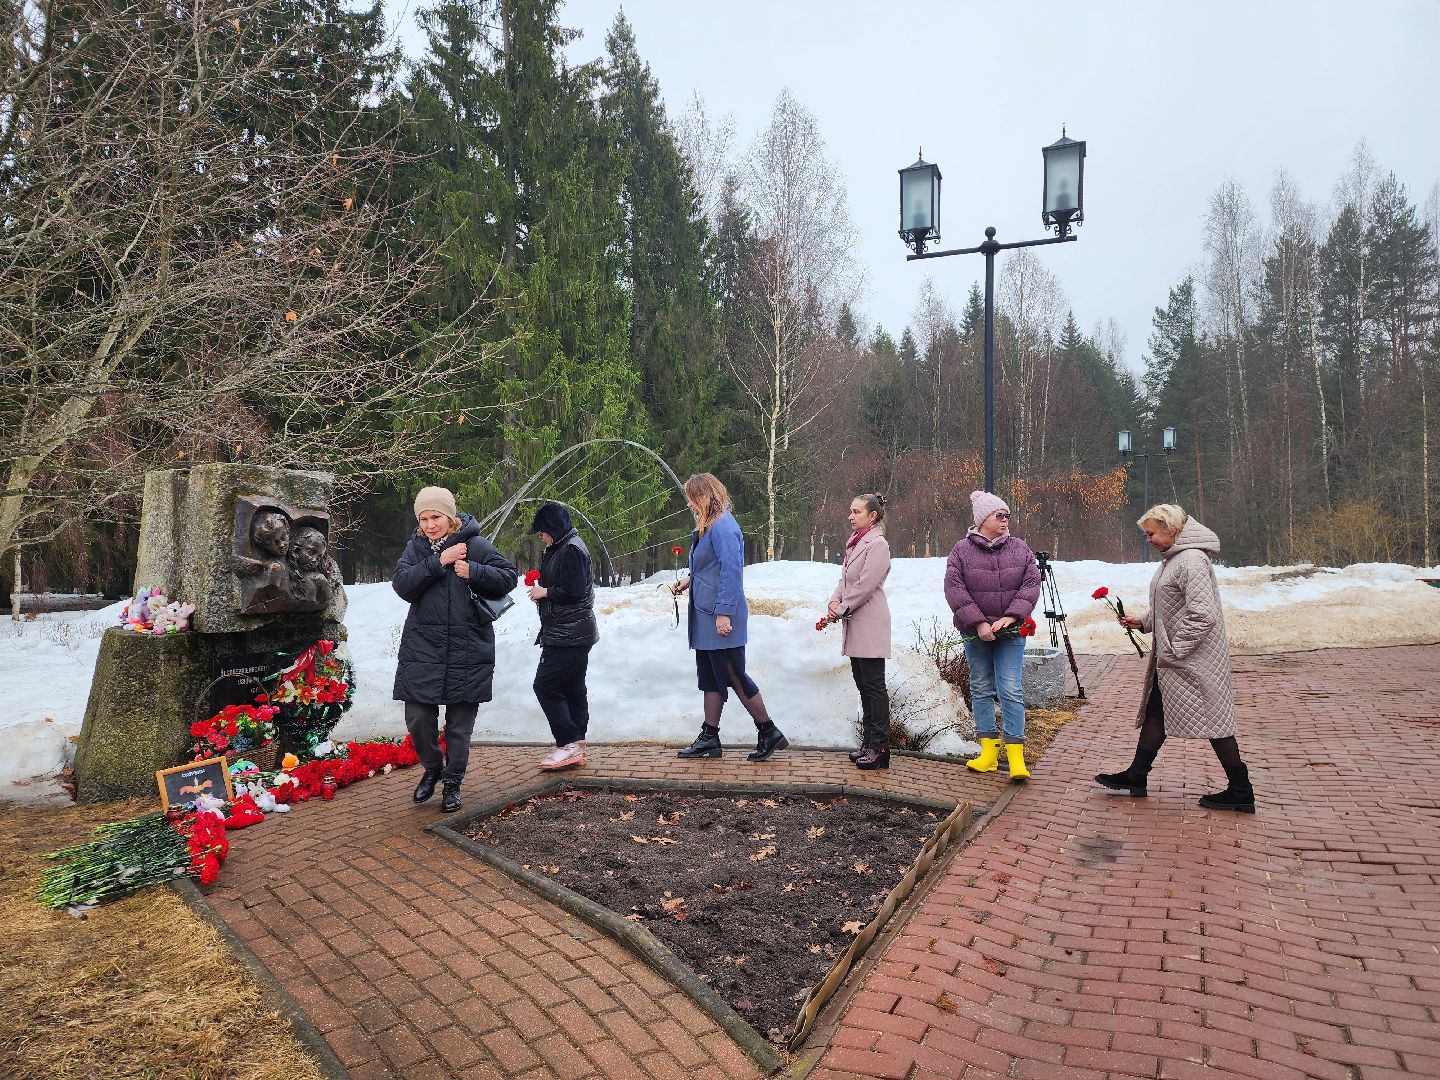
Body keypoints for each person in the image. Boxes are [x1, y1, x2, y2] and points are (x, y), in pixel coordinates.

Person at [1096, 504, 1255, 813]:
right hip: (1178, 662)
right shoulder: (1175, 559)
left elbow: (1202, 615)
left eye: (1151, 533)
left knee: (1215, 722)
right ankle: (1137, 775)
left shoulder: (1191, 560)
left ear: (1172, 530)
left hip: (1193, 661)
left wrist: (1173, 649)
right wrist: (1143, 622)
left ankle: (1241, 789)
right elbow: (1172, 607)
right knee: (1158, 711)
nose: (1148, 539)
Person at [392, 486, 518, 813]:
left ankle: (452, 783)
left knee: (460, 727)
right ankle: (433, 767)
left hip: (467, 650)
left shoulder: (475, 544)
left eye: (436, 517)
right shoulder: (416, 549)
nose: (430, 524)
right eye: (424, 518)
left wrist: (474, 571)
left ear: (450, 516)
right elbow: (403, 585)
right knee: (418, 718)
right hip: (423, 650)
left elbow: (508, 577)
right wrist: (439, 562)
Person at [672, 473, 788, 762]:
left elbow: (732, 572)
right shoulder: (707, 526)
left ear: (705, 496)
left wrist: (723, 613)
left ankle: (769, 731)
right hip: (706, 617)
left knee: (735, 675)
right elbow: (711, 566)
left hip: (721, 618)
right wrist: (691, 579)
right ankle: (710, 738)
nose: (688, 503)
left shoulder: (723, 526)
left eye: (691, 497)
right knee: (711, 677)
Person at [944, 491, 1041, 781]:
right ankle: (988, 753)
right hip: (976, 634)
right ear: (983, 519)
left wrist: (1012, 616)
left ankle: (1015, 757)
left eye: (1007, 515)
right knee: (981, 687)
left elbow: (1031, 583)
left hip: (1010, 633)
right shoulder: (960, 551)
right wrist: (978, 624)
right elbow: (954, 590)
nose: (1005, 520)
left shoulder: (1020, 548)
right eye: (999, 515)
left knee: (1010, 688)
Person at [526, 502, 598, 771]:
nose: (540, 536)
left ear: (553, 528)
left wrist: (546, 592)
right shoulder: (563, 547)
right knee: (572, 687)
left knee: (545, 686)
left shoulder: (570, 550)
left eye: (542, 531)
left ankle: (568, 742)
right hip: (571, 631)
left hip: (569, 633)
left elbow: (575, 589)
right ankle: (575, 743)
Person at [828, 493, 893, 770]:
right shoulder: (855, 544)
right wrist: (834, 601)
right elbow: (845, 579)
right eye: (851, 511)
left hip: (869, 622)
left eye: (856, 512)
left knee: (874, 686)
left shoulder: (877, 545)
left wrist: (842, 607)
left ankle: (880, 747)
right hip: (855, 622)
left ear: (872, 516)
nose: (850, 516)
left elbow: (866, 584)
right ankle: (868, 742)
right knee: (863, 685)